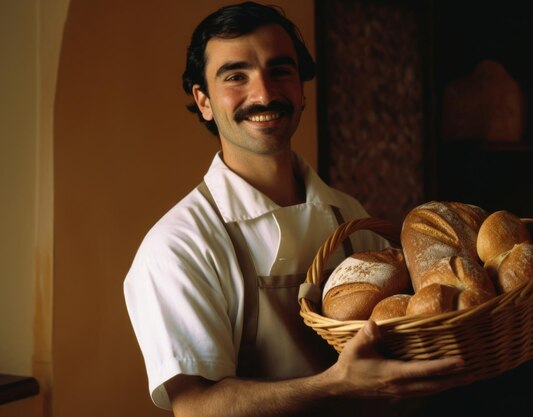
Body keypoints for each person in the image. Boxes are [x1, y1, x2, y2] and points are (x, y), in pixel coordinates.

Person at [124, 2, 473, 416]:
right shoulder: (177, 247)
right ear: (203, 101)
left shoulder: (347, 214)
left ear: (302, 89)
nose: (265, 93)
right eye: (236, 76)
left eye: (280, 70)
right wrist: (335, 386)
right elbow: (196, 408)